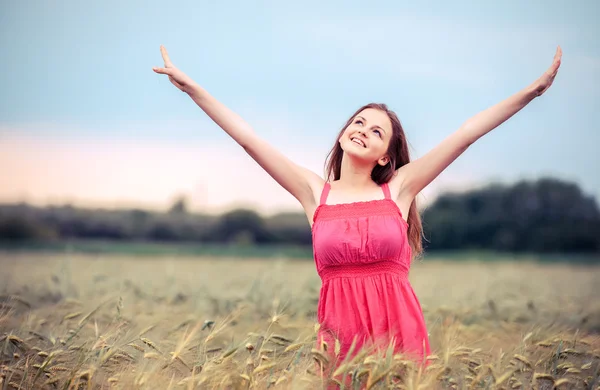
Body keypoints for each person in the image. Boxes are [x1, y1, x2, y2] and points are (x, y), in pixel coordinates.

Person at [152, 45, 562, 364]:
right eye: (358, 122)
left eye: (376, 131)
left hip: (399, 334)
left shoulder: (399, 190)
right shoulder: (315, 193)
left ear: (386, 155)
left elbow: (466, 133)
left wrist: (531, 92)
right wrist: (194, 90)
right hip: (339, 340)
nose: (363, 131)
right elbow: (249, 139)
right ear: (345, 131)